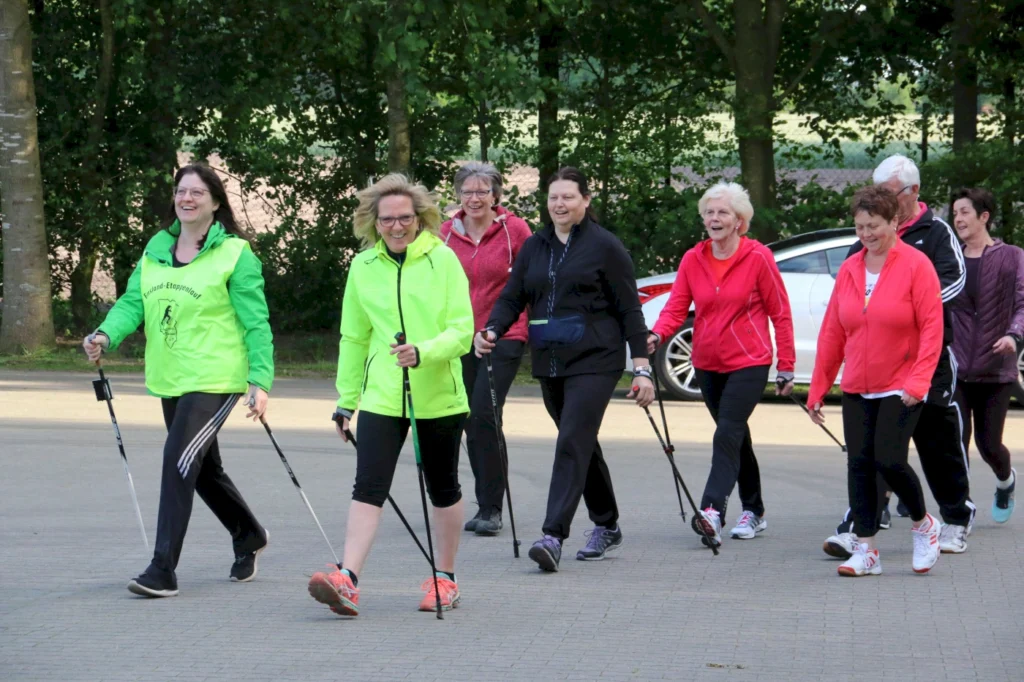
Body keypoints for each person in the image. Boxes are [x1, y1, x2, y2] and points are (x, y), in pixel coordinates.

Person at [82, 163, 274, 598]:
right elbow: (134, 301)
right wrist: (105, 334)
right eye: (181, 191)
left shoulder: (235, 254)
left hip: (217, 376)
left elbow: (256, 323)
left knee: (178, 460)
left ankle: (162, 569)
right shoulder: (156, 248)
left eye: (197, 193)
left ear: (216, 202)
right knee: (203, 469)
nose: (186, 199)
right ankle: (249, 534)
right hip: (171, 377)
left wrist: (259, 380)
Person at [306, 174, 473, 617]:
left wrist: (424, 352)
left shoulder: (444, 260)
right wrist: (346, 400)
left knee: (443, 488)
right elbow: (353, 337)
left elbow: (462, 330)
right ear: (373, 223)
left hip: (439, 394)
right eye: (387, 220)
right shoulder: (363, 268)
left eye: (404, 219)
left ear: (420, 219)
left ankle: (446, 579)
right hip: (382, 396)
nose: (396, 227)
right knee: (368, 486)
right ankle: (348, 579)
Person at [474, 167, 654, 572]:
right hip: (550, 360)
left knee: (572, 440)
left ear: (586, 201)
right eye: (554, 197)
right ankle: (607, 525)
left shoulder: (606, 247)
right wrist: (492, 329)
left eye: (568, 197)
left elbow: (629, 309)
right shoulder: (536, 246)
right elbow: (512, 296)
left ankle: (553, 535)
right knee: (581, 442)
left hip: (597, 359)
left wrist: (640, 366)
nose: (559, 204)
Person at [825, 154, 975, 557]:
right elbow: (853, 291)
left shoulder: (935, 231)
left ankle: (956, 516)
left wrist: (909, 301)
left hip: (929, 358)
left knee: (935, 440)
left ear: (913, 193)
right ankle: (862, 525)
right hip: (879, 363)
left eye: (888, 195)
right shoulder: (868, 233)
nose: (879, 202)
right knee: (875, 447)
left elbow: (955, 281)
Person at [648, 182, 795, 548]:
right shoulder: (692, 259)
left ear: (739, 220)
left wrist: (787, 364)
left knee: (726, 432)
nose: (714, 219)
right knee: (736, 436)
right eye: (709, 212)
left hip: (749, 362)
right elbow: (676, 307)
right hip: (707, 363)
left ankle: (711, 510)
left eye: (723, 213)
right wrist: (656, 335)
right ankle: (755, 511)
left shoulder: (758, 257)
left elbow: (780, 312)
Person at [809, 185, 944, 576]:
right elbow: (833, 332)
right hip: (857, 384)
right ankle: (866, 549)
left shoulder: (917, 265)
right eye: (860, 227)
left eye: (874, 226)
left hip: (902, 384)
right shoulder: (851, 268)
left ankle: (924, 524)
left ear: (894, 222)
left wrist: (918, 382)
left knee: (889, 460)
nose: (866, 234)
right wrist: (819, 388)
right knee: (860, 465)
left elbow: (932, 328)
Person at [440, 162, 531, 536]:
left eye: (482, 191)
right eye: (467, 191)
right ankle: (480, 501)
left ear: (496, 196)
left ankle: (492, 507)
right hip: (459, 337)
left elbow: (531, 278)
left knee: (483, 415)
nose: (474, 198)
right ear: (458, 195)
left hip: (504, 336)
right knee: (465, 420)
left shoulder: (515, 231)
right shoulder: (445, 233)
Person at [950, 187, 1024, 523]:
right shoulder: (952, 259)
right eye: (954, 213)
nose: (958, 219)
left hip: (996, 368)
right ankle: (959, 508)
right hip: (958, 367)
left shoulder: (1012, 256)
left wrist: (1014, 335)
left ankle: (1006, 481)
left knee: (989, 445)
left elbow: (1023, 303)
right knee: (956, 441)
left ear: (984, 216)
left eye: (964, 212)